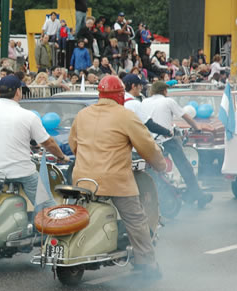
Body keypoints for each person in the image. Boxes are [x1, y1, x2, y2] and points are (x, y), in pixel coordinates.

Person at [68, 75, 166, 279]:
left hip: (82, 180)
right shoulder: (125, 116)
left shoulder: (83, 114)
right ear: (121, 95)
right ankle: (146, 263)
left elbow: (73, 145)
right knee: (136, 218)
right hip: (115, 181)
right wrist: (160, 165)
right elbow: (147, 146)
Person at [0, 75, 69, 217]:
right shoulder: (27, 116)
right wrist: (62, 156)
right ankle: (49, 229)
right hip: (21, 172)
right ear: (17, 92)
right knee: (47, 207)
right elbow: (48, 143)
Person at [140, 81, 213, 207]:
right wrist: (197, 126)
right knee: (185, 167)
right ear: (164, 91)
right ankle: (198, 195)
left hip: (147, 141)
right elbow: (185, 116)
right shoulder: (168, 101)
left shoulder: (144, 102)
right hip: (165, 140)